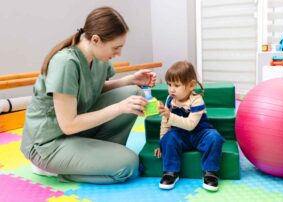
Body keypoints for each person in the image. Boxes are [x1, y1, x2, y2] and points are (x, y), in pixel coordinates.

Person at [20, 6, 156, 184]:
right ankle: (54, 170)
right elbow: (68, 125)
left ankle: (97, 156)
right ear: (96, 40)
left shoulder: (97, 58)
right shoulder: (66, 63)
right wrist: (118, 108)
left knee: (133, 93)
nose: (119, 54)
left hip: (74, 131)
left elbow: (93, 88)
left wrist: (131, 79)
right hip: (48, 143)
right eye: (116, 48)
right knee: (128, 165)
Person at [154, 61, 225, 191]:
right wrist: (162, 142)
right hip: (180, 135)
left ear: (191, 85)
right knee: (169, 137)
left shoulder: (197, 100)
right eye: (169, 84)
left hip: (200, 133)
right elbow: (165, 123)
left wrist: (170, 115)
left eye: (176, 85)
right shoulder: (170, 100)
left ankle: (210, 172)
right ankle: (170, 172)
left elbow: (191, 125)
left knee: (214, 137)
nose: (171, 89)